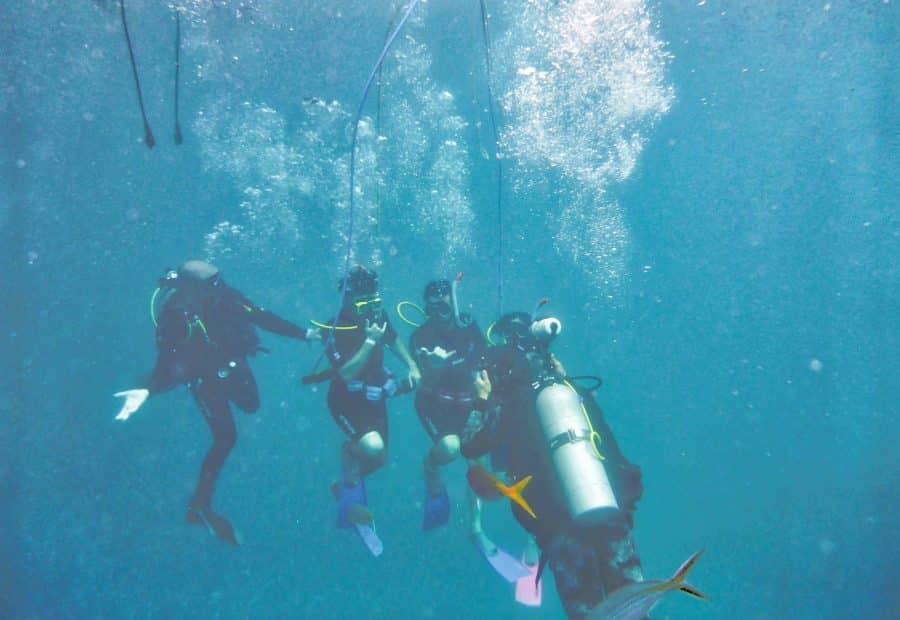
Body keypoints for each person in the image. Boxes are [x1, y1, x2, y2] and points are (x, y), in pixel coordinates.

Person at [113, 260, 316, 545]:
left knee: (251, 404)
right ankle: (199, 506)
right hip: (202, 378)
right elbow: (167, 367)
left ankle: (200, 507)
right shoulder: (174, 317)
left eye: (219, 282)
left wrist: (303, 333)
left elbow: (260, 316)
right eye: (212, 286)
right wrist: (146, 391)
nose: (219, 289)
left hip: (229, 363)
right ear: (190, 289)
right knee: (226, 437)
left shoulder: (223, 294)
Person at [461, 311, 645, 618]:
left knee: (586, 610)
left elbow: (471, 445)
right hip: (611, 514)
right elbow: (617, 459)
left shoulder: (510, 407)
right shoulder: (577, 394)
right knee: (634, 606)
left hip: (558, 524)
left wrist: (482, 399)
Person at [321, 265, 421, 530]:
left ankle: (341, 483)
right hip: (345, 401)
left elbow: (392, 338)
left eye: (374, 302)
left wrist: (412, 365)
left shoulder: (378, 317)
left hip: (372, 398)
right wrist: (368, 342)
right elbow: (345, 373)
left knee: (379, 458)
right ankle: (349, 451)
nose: (370, 309)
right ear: (348, 299)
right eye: (363, 303)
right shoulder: (334, 328)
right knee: (372, 448)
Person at [409, 278, 487, 531]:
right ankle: (430, 468)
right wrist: (433, 366)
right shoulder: (421, 336)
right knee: (451, 447)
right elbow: (425, 384)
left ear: (453, 304)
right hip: (435, 406)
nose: (440, 315)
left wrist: (483, 404)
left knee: (477, 462)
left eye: (444, 308)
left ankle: (476, 526)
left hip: (467, 404)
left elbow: (484, 366)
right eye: (433, 310)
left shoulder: (468, 325)